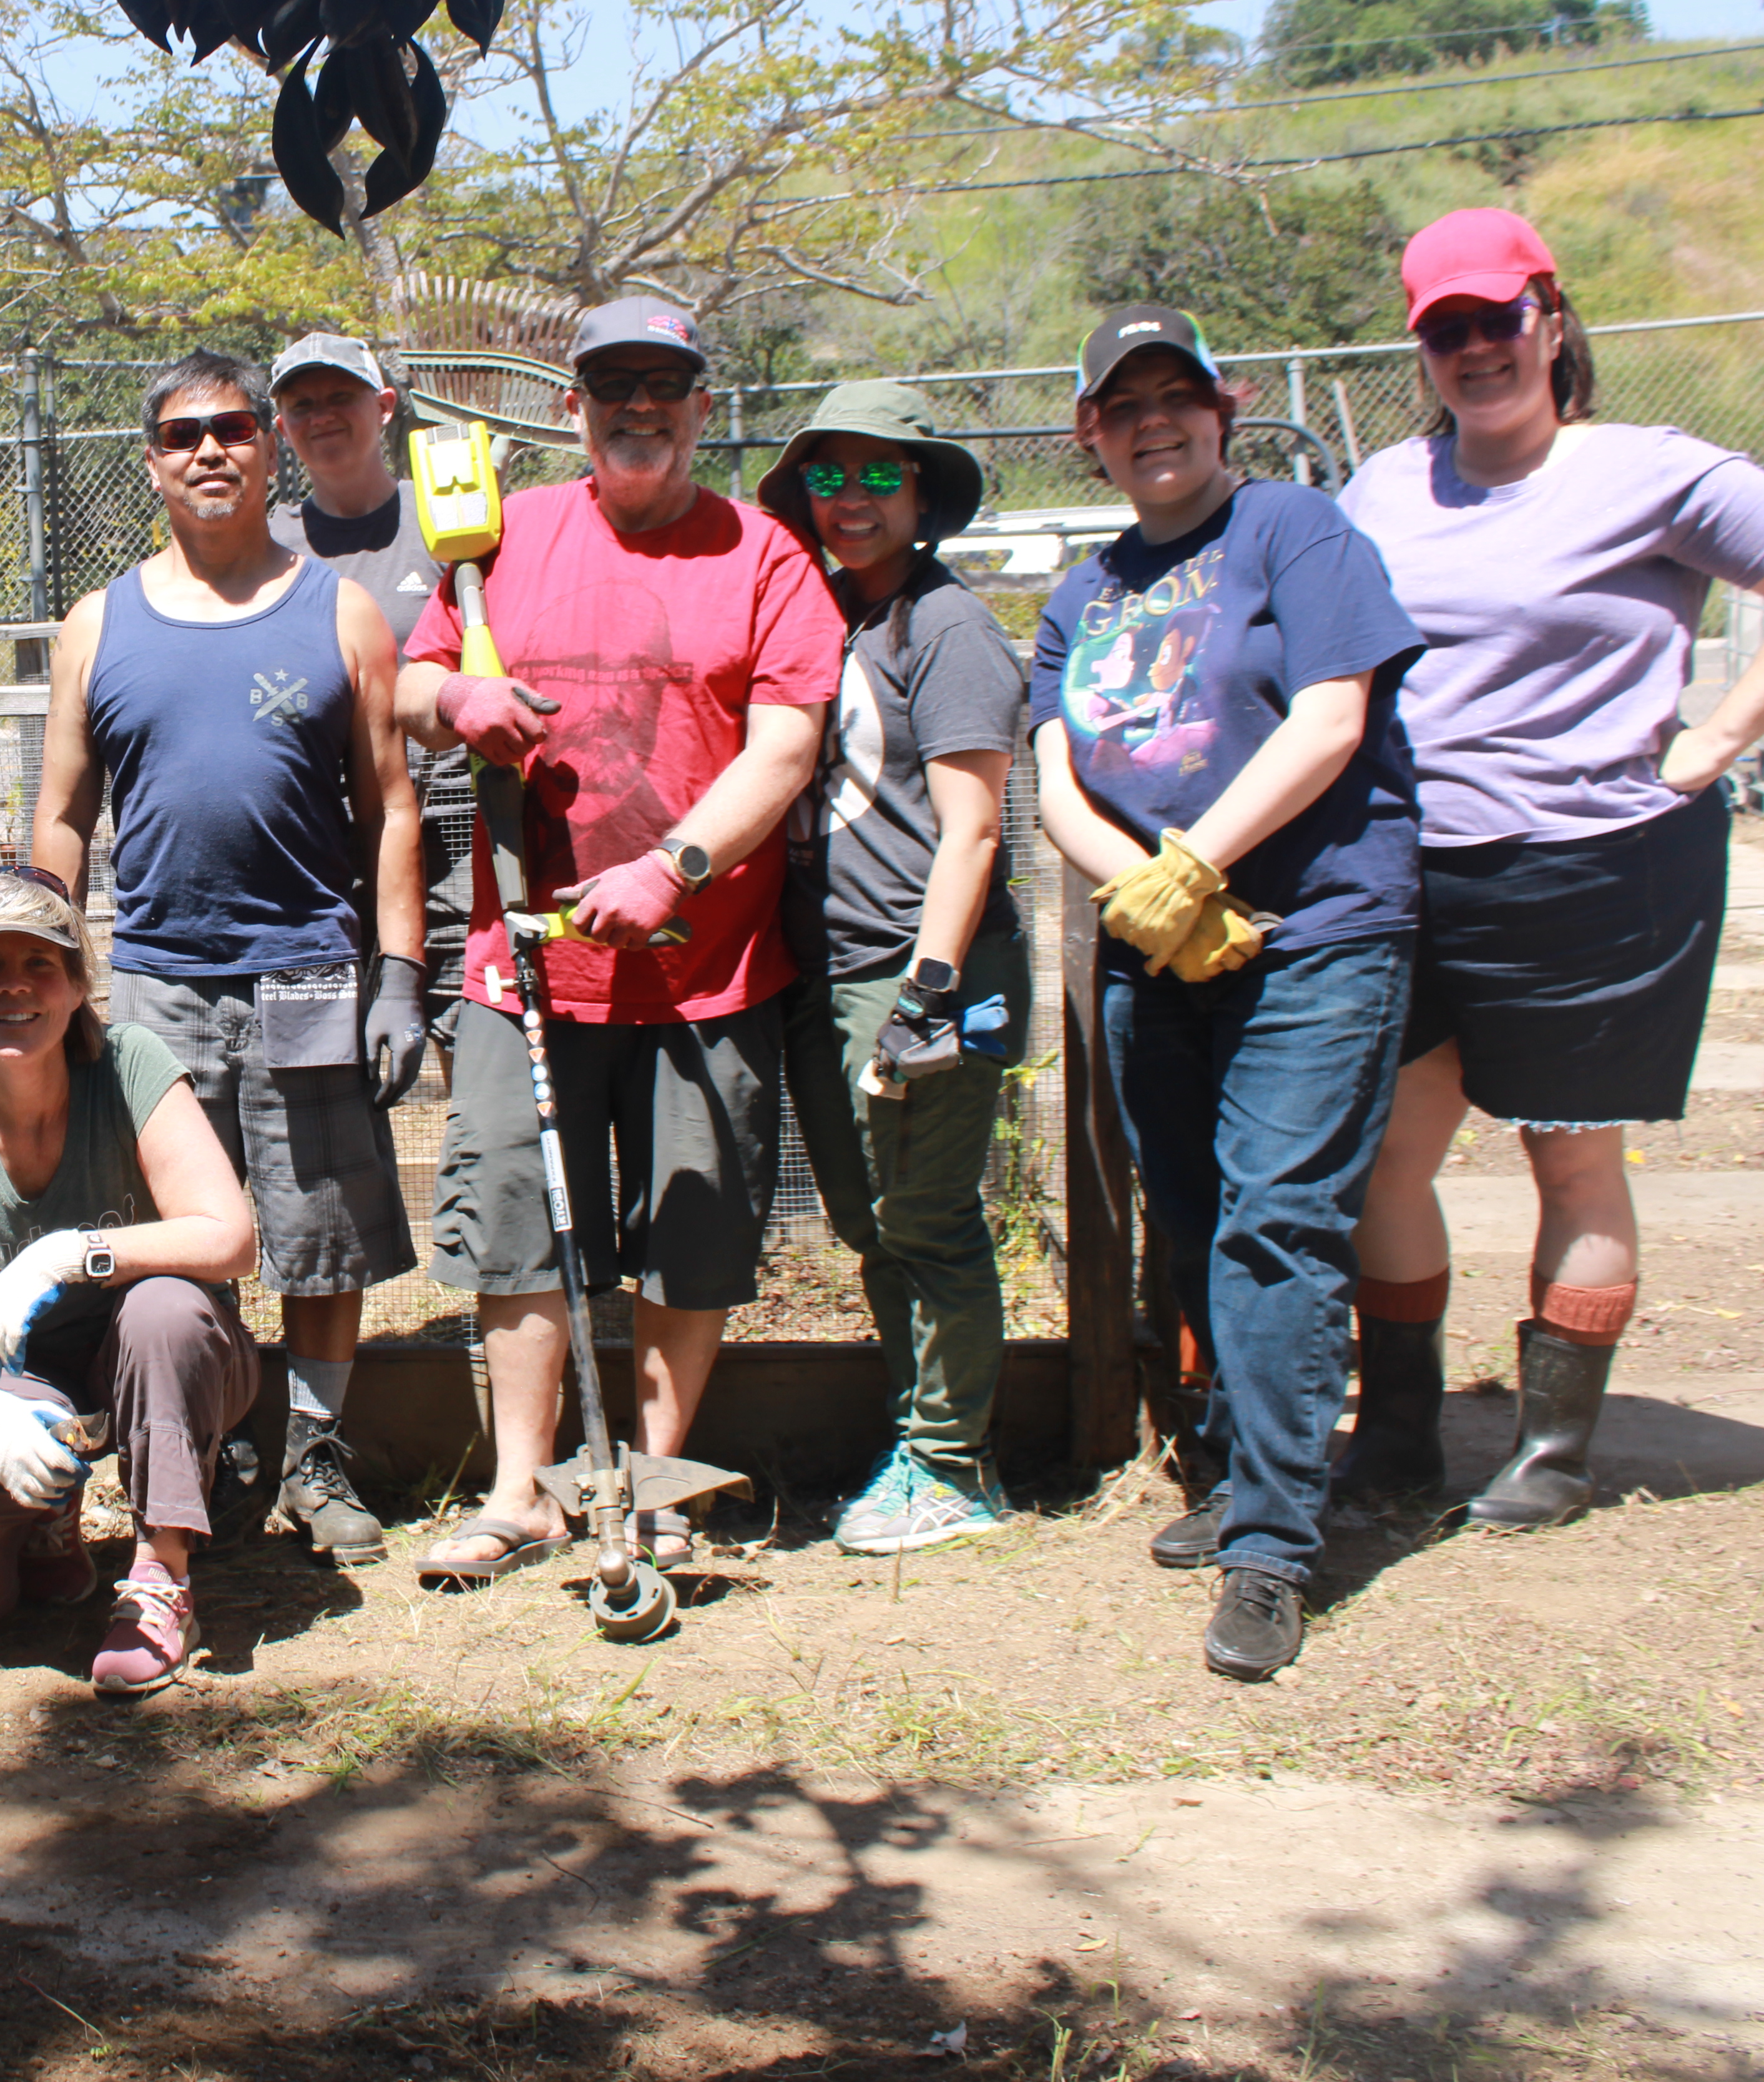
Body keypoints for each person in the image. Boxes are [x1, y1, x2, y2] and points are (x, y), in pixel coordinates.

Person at [1338, 210, 1764, 1528]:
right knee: (1387, 1160)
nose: (1476, 349)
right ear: (1422, 351)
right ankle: (1400, 1436)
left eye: (1498, 319)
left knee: (1571, 1159)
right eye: (1445, 330)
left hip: (1591, 867)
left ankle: (1554, 1450)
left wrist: (1717, 735)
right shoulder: (1385, 489)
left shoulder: (1647, 470)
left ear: (1553, 319)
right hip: (1412, 869)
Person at [392, 297, 842, 1589]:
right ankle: (523, 1491)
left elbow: (786, 744)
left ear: (703, 406)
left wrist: (677, 863)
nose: (638, 407)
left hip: (702, 970)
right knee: (516, 1231)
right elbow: (411, 684)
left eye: (665, 386)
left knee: (686, 1236)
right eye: (611, 387)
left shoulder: (763, 555)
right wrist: (457, 695)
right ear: (570, 407)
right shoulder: (502, 539)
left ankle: (649, 1488)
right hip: (520, 961)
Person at [1032, 305, 1424, 1684]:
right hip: (1160, 952)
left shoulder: (1295, 533)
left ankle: (1272, 1543)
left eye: (1177, 394)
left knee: (1279, 1221)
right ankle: (1242, 1467)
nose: (1154, 420)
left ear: (1227, 405)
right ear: (1089, 431)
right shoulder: (1083, 594)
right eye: (1123, 402)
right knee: (1194, 1213)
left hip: (1312, 935)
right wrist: (1142, 890)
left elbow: (1334, 716)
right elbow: (1054, 776)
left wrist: (1200, 859)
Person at [36, 347, 424, 1564]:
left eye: (233, 426)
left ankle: (311, 1450)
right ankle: (193, 1451)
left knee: (322, 1227)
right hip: (157, 974)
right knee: (174, 1234)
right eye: (181, 432)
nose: (210, 448)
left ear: (267, 446)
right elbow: (59, 813)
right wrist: (52, 974)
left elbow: (393, 803)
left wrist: (398, 970)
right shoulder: (101, 623)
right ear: (151, 461)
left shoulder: (340, 608)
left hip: (310, 966)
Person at [0, 866, 262, 1695]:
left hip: (171, 1359)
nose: (14, 986)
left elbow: (230, 1240)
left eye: (41, 963)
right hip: (29, 1376)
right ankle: (48, 1524)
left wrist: (66, 1254)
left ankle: (164, 1574)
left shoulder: (130, 1064)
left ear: (80, 982)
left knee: (163, 1308)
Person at [758, 383, 1032, 1556]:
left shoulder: (949, 628)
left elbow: (974, 829)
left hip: (913, 974)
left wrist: (926, 992)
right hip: (829, 968)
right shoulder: (832, 616)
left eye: (881, 475)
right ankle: (914, 1443)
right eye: (830, 476)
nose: (853, 498)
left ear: (923, 494)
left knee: (930, 1224)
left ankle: (954, 1467)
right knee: (873, 1226)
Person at [265, 330, 482, 1355]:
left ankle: (497, 1301)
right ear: (281, 427)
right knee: (321, 1094)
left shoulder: (451, 530)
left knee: (476, 1062)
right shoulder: (264, 544)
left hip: (451, 836)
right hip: (319, 858)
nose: (322, 418)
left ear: (385, 404)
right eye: (300, 404)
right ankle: (326, 1335)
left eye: (340, 397)